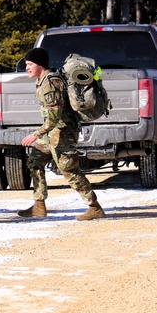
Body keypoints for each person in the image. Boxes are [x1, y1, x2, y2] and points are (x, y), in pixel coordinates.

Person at [17, 47, 105, 221]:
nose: (27, 68)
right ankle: (39, 205)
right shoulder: (43, 80)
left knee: (69, 171)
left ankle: (94, 207)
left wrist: (35, 134)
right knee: (35, 162)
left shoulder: (50, 82)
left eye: (30, 64)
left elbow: (54, 117)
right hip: (52, 134)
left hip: (62, 132)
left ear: (40, 65)